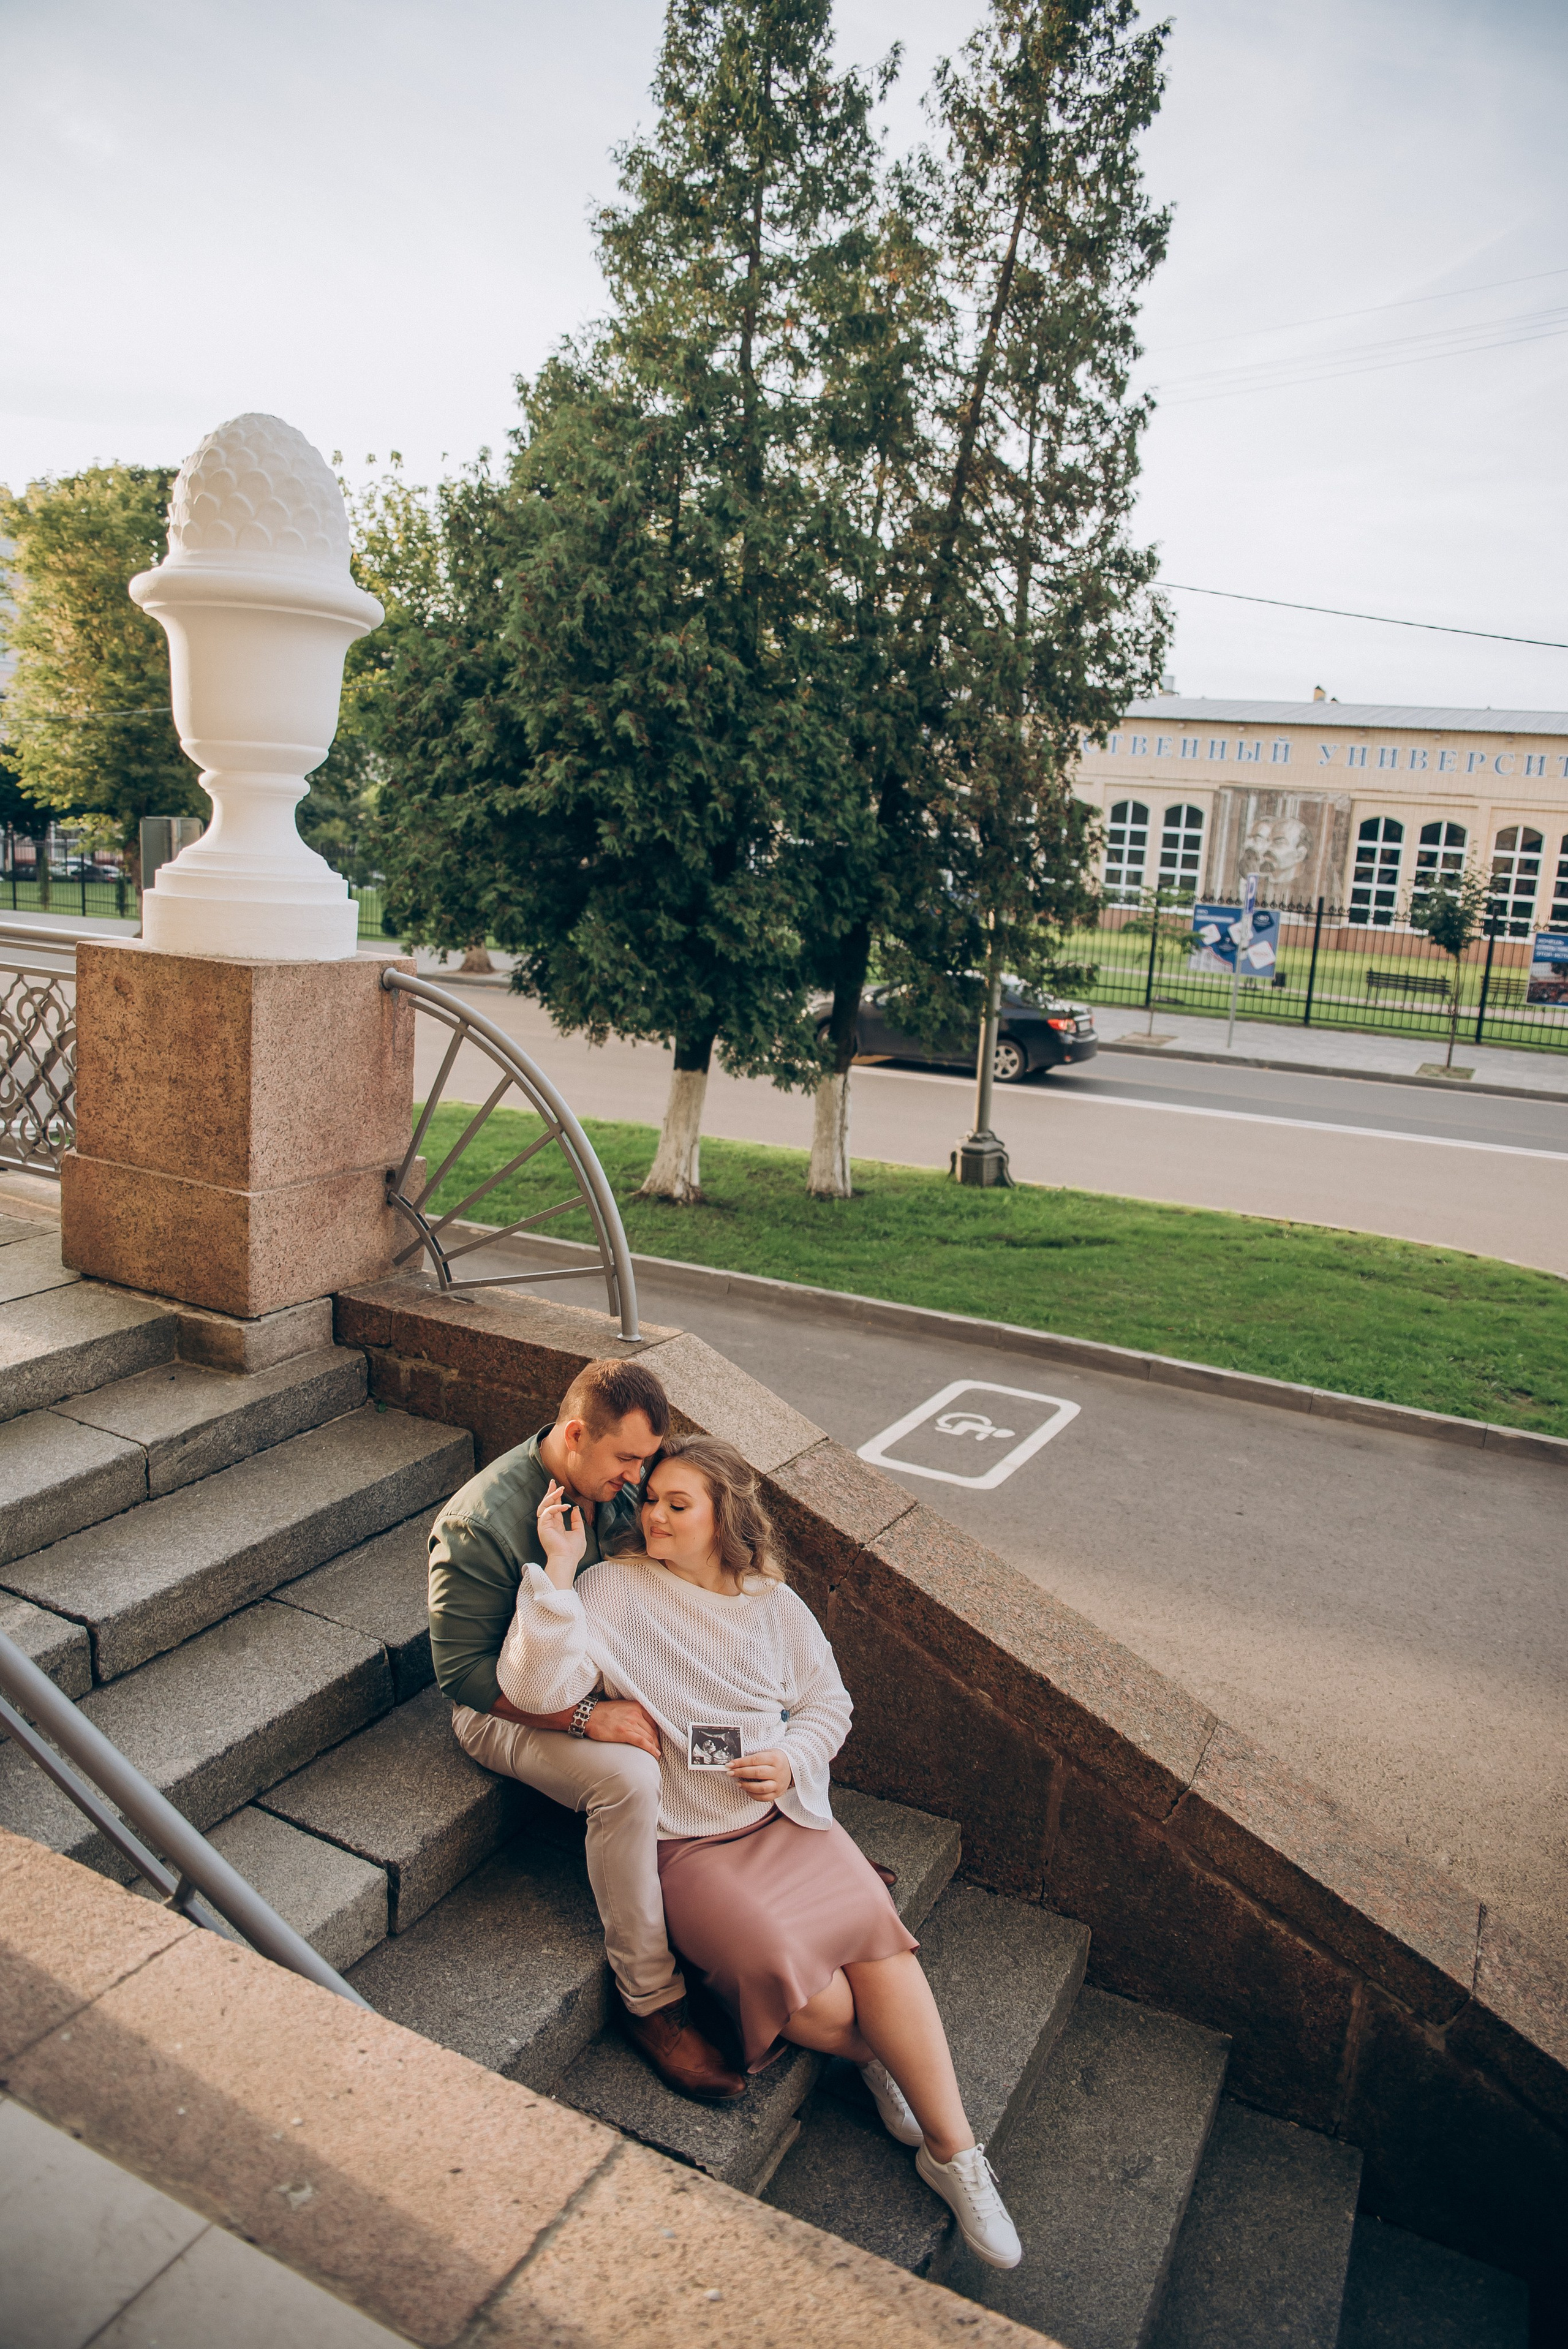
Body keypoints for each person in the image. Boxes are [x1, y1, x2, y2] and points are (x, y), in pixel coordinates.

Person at [497, 1431, 1023, 2272]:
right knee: (817, 2009)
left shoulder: (772, 1601)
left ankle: (956, 2153)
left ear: (723, 1517)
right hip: (688, 1844)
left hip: (783, 1818)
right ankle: (891, 2055)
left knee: (878, 1945)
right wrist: (557, 1572)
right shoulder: (612, 1587)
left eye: (679, 1503)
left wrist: (794, 1757)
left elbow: (828, 1701)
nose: (656, 1514)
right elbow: (535, 1687)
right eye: (652, 1498)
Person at [428, 1358, 748, 2103]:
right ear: (577, 1435)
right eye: (629, 1459)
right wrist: (583, 1717)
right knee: (629, 1774)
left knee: (696, 1706)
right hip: (505, 1708)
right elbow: (462, 1676)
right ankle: (651, 2000)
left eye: (646, 1458)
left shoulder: (620, 1482)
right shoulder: (478, 1522)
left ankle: (766, 1847)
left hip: (605, 1673)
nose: (641, 1476)